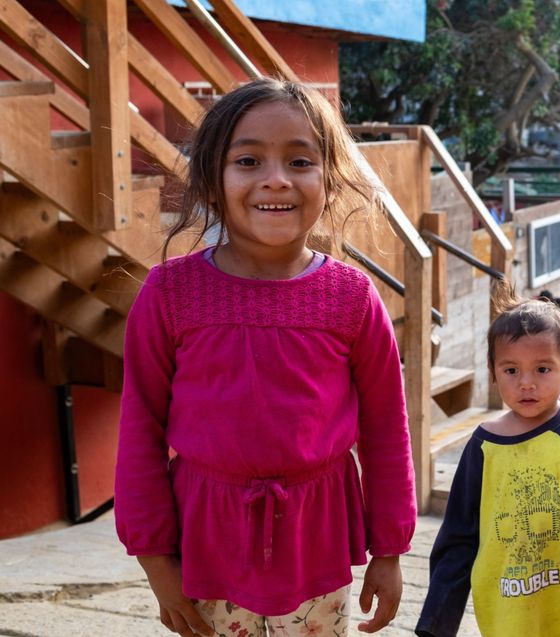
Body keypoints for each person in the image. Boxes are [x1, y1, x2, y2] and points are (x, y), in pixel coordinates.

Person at [114, 78, 417, 637]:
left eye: (300, 161)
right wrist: (156, 561)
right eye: (248, 160)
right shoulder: (169, 295)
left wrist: (390, 549)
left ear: (328, 179)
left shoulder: (353, 299)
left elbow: (386, 431)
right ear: (212, 178)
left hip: (317, 541)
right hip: (205, 546)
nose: (275, 178)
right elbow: (139, 431)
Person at [416, 282, 560, 637]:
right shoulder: (484, 445)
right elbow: (458, 538)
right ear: (492, 370)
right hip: (506, 613)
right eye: (511, 370)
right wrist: (436, 624)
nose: (526, 383)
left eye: (543, 369)